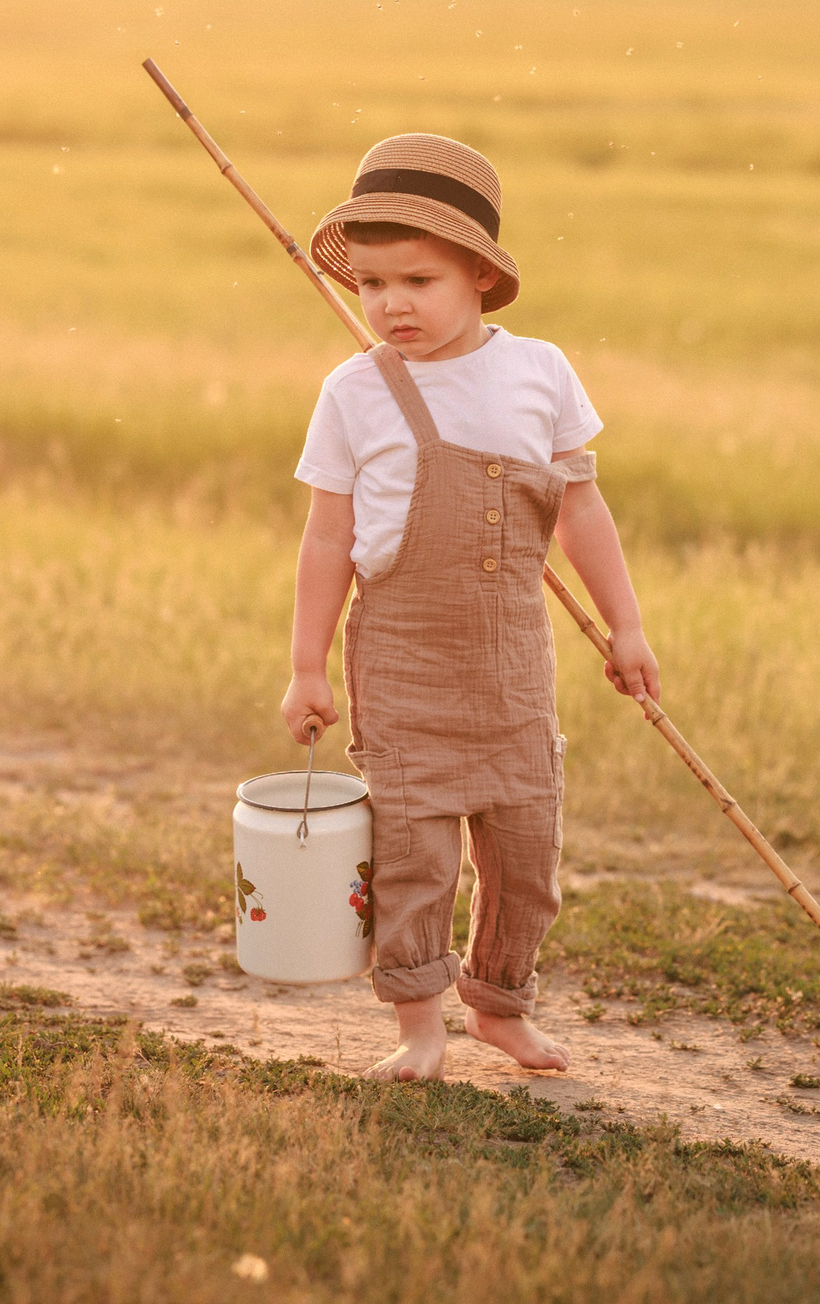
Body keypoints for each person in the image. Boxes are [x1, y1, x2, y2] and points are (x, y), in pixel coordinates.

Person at [281, 133, 660, 1082]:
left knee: (526, 849)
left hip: (511, 668)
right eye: (372, 283)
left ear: (482, 275)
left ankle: (498, 1003)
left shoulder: (540, 372)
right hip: (403, 663)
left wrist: (626, 625)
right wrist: (306, 666)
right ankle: (419, 1024)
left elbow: (580, 508)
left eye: (419, 279)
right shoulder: (355, 391)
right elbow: (327, 537)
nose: (391, 304)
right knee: (414, 854)